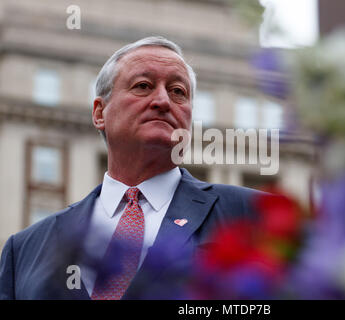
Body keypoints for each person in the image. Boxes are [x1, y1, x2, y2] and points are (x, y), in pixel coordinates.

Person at [0, 36, 261, 300]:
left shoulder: (253, 216)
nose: (163, 101)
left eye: (178, 91)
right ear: (99, 113)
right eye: (143, 86)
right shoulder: (23, 251)